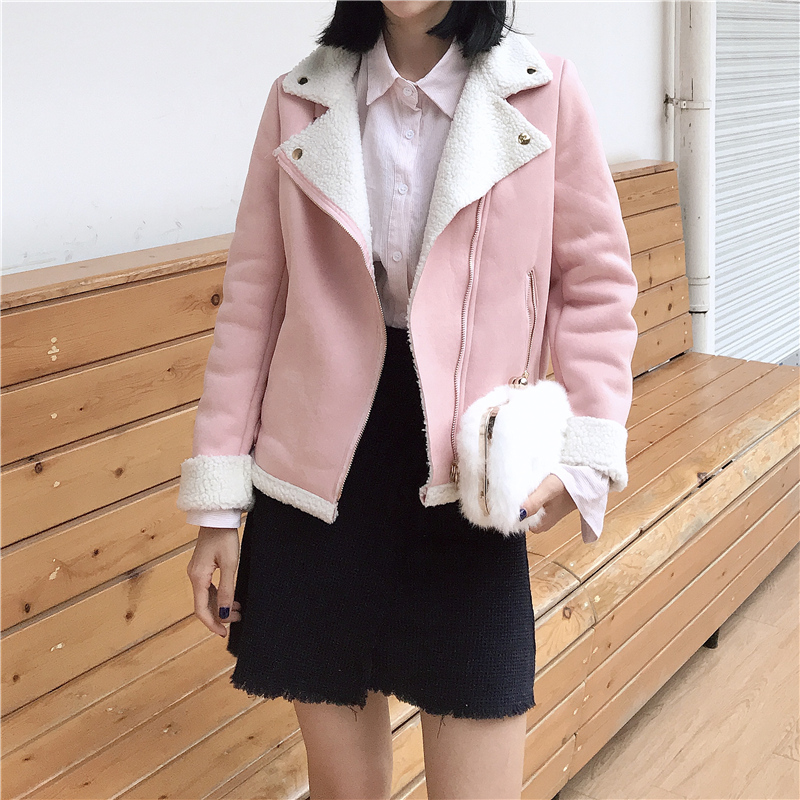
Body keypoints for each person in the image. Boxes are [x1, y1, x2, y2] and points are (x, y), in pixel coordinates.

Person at [179, 1, 639, 797]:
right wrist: (218, 509)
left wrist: (585, 456)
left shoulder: (544, 90)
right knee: (344, 786)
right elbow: (253, 303)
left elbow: (596, 286)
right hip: (317, 481)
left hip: (465, 473)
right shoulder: (299, 97)